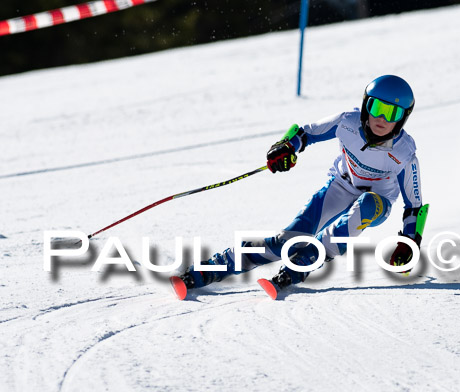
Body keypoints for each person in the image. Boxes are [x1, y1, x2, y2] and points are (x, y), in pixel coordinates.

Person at [171, 75, 426, 299]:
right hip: (340, 187)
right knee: (287, 241)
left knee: (366, 206)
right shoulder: (347, 123)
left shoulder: (405, 152)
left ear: (402, 118)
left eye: (391, 113)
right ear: (365, 105)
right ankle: (208, 270)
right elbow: (305, 133)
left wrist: (409, 242)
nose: (381, 118)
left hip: (377, 201)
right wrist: (286, 147)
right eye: (376, 107)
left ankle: (306, 262)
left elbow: (414, 206)